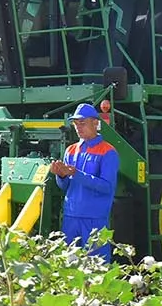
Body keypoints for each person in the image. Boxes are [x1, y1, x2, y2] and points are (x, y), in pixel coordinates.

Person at [50, 103, 119, 261]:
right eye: (75, 123)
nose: (78, 127)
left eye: (82, 123)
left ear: (96, 123)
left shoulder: (108, 152)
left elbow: (107, 187)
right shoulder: (71, 150)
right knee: (69, 266)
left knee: (97, 267)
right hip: (71, 216)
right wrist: (60, 175)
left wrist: (76, 174)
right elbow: (65, 187)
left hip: (95, 218)